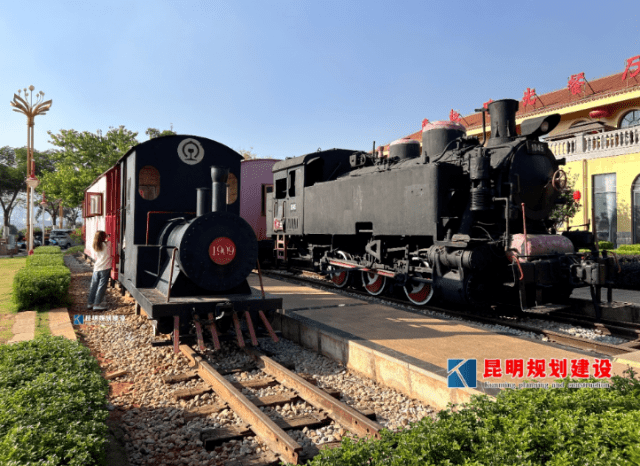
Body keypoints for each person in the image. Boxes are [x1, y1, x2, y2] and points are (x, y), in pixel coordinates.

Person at [88, 230, 111, 311]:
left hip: (96, 268)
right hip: (105, 268)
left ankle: (90, 303)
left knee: (93, 286)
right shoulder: (108, 244)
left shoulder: (95, 245)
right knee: (101, 286)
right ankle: (97, 304)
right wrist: (109, 237)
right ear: (103, 237)